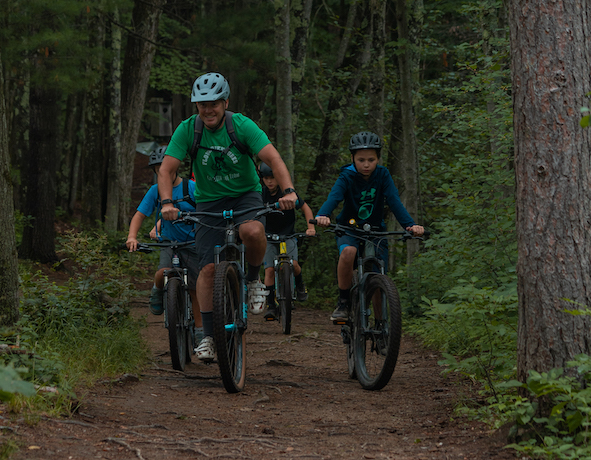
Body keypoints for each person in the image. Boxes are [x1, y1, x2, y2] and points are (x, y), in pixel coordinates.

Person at [158, 72, 298, 362]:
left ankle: (254, 279)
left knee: (253, 232)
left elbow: (273, 159)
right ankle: (208, 335)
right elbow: (166, 170)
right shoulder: (188, 129)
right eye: (201, 104)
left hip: (246, 194)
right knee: (208, 270)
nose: (208, 110)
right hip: (208, 200)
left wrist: (289, 192)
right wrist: (167, 202)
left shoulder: (241, 125)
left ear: (225, 102)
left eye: (214, 103)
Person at [314, 130, 425, 322]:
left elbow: (394, 201)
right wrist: (322, 215)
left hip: (375, 230)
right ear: (352, 158)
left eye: (371, 160)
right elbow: (335, 197)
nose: (366, 165)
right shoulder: (346, 176)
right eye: (361, 160)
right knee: (348, 252)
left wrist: (410, 225)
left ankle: (382, 327)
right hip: (348, 228)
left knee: (377, 274)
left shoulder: (382, 175)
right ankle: (343, 302)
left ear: (378, 159)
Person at [126, 146, 202, 342]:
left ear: (175, 167)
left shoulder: (191, 187)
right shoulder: (155, 191)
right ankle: (157, 291)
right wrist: (132, 237)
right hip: (169, 243)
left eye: (165, 167)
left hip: (192, 243)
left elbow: (204, 211)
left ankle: (201, 333)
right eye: (157, 169)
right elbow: (140, 215)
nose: (162, 171)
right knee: (162, 272)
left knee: (196, 288)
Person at [258, 162, 316, 321]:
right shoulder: (260, 195)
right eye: (266, 178)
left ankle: (300, 285)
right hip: (269, 236)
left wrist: (311, 227)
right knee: (269, 270)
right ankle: (271, 305)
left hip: (288, 235)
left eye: (273, 178)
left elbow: (305, 208)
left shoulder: (288, 194)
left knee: (294, 264)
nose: (270, 182)